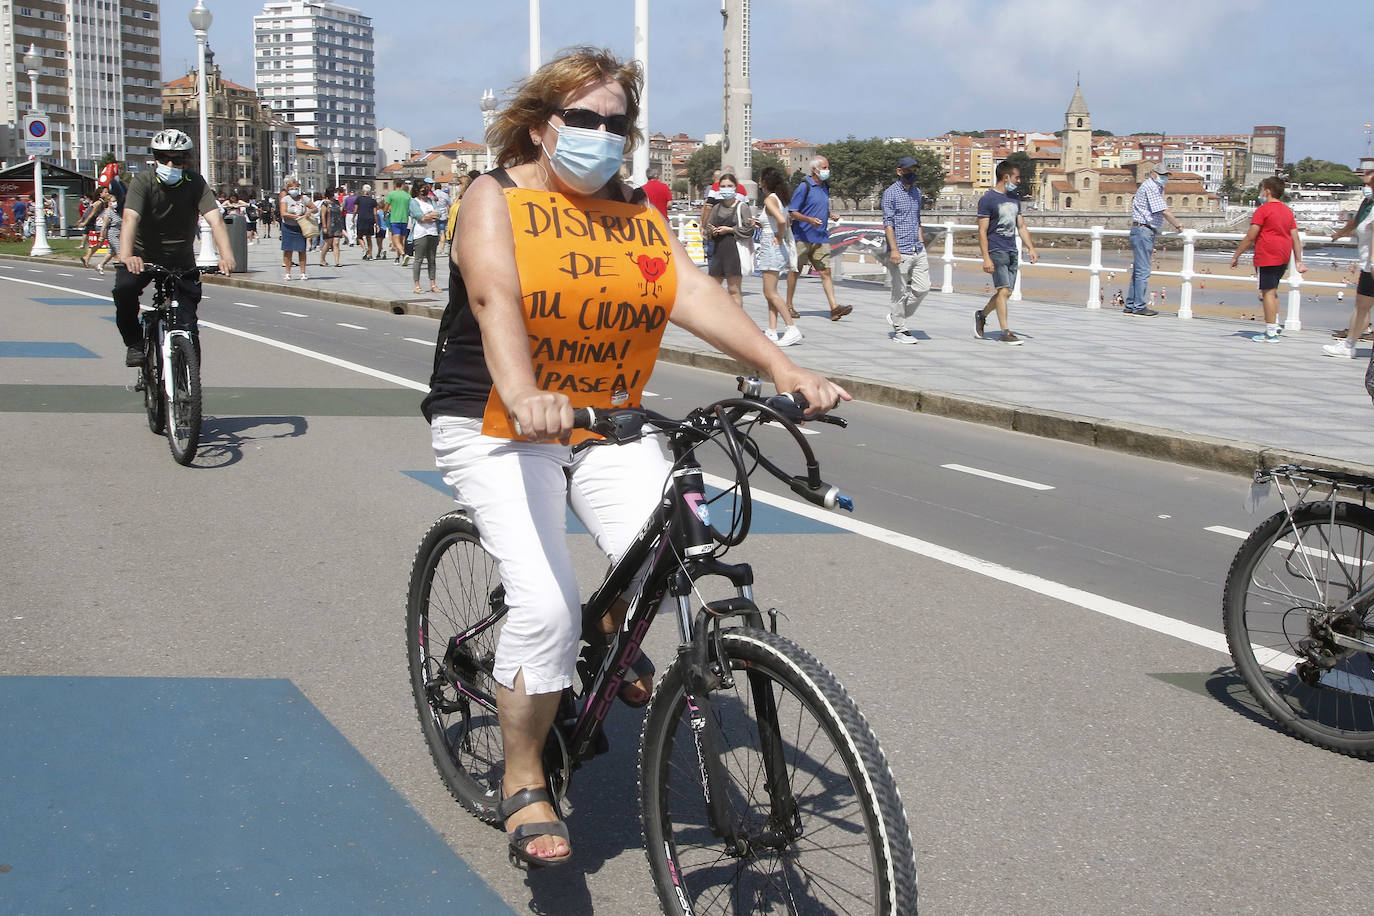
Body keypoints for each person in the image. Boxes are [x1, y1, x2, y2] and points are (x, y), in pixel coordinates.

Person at [421, 46, 848, 870]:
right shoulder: (494, 197)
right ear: (545, 128)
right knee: (543, 610)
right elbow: (492, 296)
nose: (603, 135)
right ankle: (523, 778)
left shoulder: (634, 215)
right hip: (497, 419)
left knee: (679, 548)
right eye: (585, 120)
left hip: (605, 418)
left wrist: (781, 368)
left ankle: (611, 619)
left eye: (618, 124)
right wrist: (524, 389)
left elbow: (692, 293)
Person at [113, 129, 233, 367]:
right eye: (163, 158)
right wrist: (127, 255)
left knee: (187, 321)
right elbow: (129, 218)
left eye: (177, 159)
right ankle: (135, 343)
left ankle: (188, 379)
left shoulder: (195, 183)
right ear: (155, 159)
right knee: (124, 291)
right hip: (142, 257)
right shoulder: (143, 182)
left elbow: (215, 220)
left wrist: (227, 257)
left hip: (180, 261)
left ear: (186, 160)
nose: (170, 164)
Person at [1230, 176, 1306, 343]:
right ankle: (1274, 325)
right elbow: (1295, 238)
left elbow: (1251, 236)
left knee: (1267, 293)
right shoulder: (1287, 211)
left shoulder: (1263, 210)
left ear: (1268, 191)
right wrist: (1298, 260)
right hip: (1283, 256)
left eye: (1262, 189)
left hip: (1267, 255)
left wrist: (1237, 255)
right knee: (1272, 291)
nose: (1261, 193)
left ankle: (1270, 331)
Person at [975, 160, 1038, 345]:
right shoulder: (988, 199)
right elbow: (981, 230)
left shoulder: (1014, 199)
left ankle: (982, 314)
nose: (1018, 181)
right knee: (1003, 290)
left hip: (1012, 250)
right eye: (1016, 177)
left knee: (1007, 292)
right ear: (1006, 177)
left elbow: (1021, 226)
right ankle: (1005, 332)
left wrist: (1031, 248)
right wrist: (986, 257)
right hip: (996, 249)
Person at [785, 156, 851, 321]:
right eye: (824, 167)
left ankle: (834, 308)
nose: (827, 170)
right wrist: (809, 220)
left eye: (828, 167)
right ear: (814, 170)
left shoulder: (825, 187)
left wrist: (830, 215)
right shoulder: (804, 187)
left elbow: (818, 207)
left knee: (825, 272)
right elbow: (793, 211)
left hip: (821, 237)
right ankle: (788, 305)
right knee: (795, 271)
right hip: (802, 236)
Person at [1322, 172, 1374, 358]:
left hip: (1372, 265)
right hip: (1367, 265)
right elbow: (1356, 221)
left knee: (1362, 306)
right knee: (1362, 306)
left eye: (1369, 184)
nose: (1366, 188)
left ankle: (1349, 345)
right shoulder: (1367, 204)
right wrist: (1339, 233)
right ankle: (1349, 345)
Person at [880, 155, 930, 345]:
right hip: (900, 249)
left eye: (914, 171)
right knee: (898, 292)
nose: (912, 174)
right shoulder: (890, 193)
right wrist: (894, 249)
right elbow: (888, 224)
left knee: (923, 288)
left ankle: (896, 315)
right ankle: (900, 330)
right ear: (899, 171)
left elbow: (917, 219)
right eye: (908, 171)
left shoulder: (917, 192)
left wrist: (921, 241)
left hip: (917, 248)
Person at [1125, 163, 1184, 316]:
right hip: (1143, 230)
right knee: (1143, 270)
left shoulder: (1153, 187)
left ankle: (1131, 304)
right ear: (1153, 174)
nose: (1164, 178)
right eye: (1162, 175)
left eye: (1166, 175)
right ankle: (1138, 306)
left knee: (1138, 270)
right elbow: (1164, 210)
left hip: (1141, 230)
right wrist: (1179, 226)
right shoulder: (1151, 187)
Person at [753, 166, 801, 346]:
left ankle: (791, 327)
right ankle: (772, 330)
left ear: (765, 182)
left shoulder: (769, 200)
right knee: (770, 292)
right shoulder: (780, 199)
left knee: (770, 292)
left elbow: (782, 222)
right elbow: (784, 220)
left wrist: (778, 236)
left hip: (771, 247)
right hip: (774, 245)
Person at [704, 171, 754, 309]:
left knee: (734, 290)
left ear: (735, 187)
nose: (726, 189)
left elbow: (749, 230)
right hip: (719, 251)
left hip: (734, 251)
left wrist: (730, 230)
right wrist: (712, 230)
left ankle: (738, 321)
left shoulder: (741, 207)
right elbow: (708, 226)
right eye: (723, 186)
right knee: (713, 288)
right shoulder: (716, 208)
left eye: (729, 185)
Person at [278, 176, 318, 281]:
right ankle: (287, 273)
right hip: (288, 226)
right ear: (288, 189)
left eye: (295, 188)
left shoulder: (304, 199)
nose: (294, 190)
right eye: (291, 188)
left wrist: (309, 212)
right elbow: (283, 213)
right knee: (288, 251)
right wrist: (296, 217)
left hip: (300, 227)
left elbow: (315, 208)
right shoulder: (285, 199)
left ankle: (303, 273)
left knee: (301, 250)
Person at [408, 178, 442, 293]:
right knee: (419, 259)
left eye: (425, 189)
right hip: (421, 233)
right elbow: (420, 217)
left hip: (432, 232)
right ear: (417, 190)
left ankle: (433, 284)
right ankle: (416, 285)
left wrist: (428, 216)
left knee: (432, 259)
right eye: (422, 189)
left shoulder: (431, 201)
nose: (424, 191)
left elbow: (439, 213)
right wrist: (429, 216)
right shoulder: (414, 202)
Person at [385, 179, 411, 262]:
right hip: (404, 219)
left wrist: (384, 214)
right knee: (402, 240)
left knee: (395, 240)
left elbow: (386, 206)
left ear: (394, 184)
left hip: (395, 218)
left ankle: (403, 254)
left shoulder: (391, 194)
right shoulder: (407, 195)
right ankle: (398, 258)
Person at [78, 192, 105, 268]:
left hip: (105, 223)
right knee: (103, 243)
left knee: (101, 243)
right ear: (100, 194)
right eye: (105, 192)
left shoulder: (104, 201)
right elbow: (91, 214)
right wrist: (84, 222)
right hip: (101, 224)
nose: (107, 193)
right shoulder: (98, 203)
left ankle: (87, 257)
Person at [319, 187, 343, 267]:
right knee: (328, 243)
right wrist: (324, 226)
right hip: (329, 225)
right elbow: (322, 215)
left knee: (336, 243)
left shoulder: (337, 202)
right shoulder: (325, 203)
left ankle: (337, 262)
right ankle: (322, 259)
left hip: (337, 225)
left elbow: (340, 211)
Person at [355, 184, 379, 260]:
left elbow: (355, 210)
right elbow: (375, 213)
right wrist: (377, 223)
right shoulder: (373, 201)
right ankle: (370, 254)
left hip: (361, 218)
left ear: (363, 190)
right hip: (370, 219)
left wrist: (353, 218)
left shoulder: (359, 199)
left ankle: (364, 249)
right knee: (369, 237)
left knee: (359, 236)